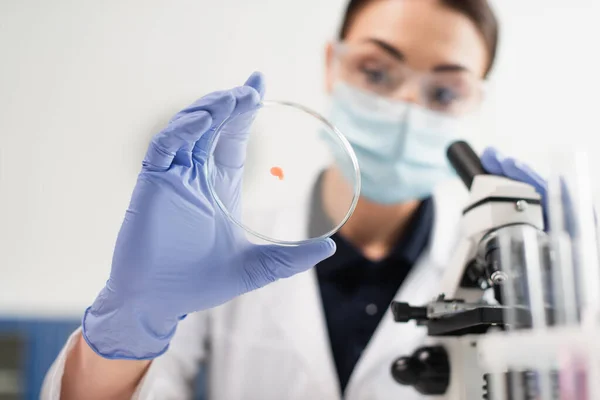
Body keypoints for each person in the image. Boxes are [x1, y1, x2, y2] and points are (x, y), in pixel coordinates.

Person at [42, 0, 547, 399]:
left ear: (475, 101)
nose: (404, 108)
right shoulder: (223, 246)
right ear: (332, 65)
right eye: (377, 72)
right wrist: (132, 322)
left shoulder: (499, 273)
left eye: (442, 93)